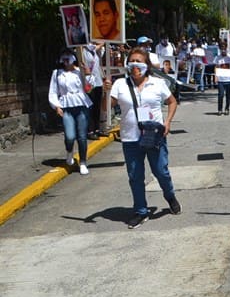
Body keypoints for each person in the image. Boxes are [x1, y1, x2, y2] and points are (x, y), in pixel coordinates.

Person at [104, 47, 181, 229]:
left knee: (161, 171)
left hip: (154, 136)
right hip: (131, 137)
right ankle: (140, 210)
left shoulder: (157, 83)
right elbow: (105, 109)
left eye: (139, 61)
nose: (135, 65)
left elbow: (172, 101)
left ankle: (169, 195)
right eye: (132, 61)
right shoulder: (120, 85)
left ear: (146, 65)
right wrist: (105, 92)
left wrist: (168, 122)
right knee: (135, 176)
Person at [48, 49, 93, 175]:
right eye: (64, 57)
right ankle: (69, 152)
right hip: (66, 106)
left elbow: (89, 88)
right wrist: (56, 106)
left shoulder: (80, 72)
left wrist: (88, 74)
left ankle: (83, 162)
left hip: (81, 104)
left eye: (69, 56)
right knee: (69, 136)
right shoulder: (57, 73)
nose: (67, 59)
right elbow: (53, 91)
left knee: (82, 136)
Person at [82, 43, 105, 138]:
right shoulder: (83, 51)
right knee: (90, 107)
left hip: (98, 81)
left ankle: (97, 128)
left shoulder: (95, 51)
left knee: (97, 106)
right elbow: (98, 45)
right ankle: (90, 130)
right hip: (89, 82)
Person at [214, 46, 230, 116]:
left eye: (224, 49)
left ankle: (227, 108)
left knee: (228, 96)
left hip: (229, 79)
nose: (223, 50)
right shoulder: (217, 58)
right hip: (221, 80)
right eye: (222, 49)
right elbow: (216, 67)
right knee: (221, 95)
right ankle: (220, 109)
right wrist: (216, 76)